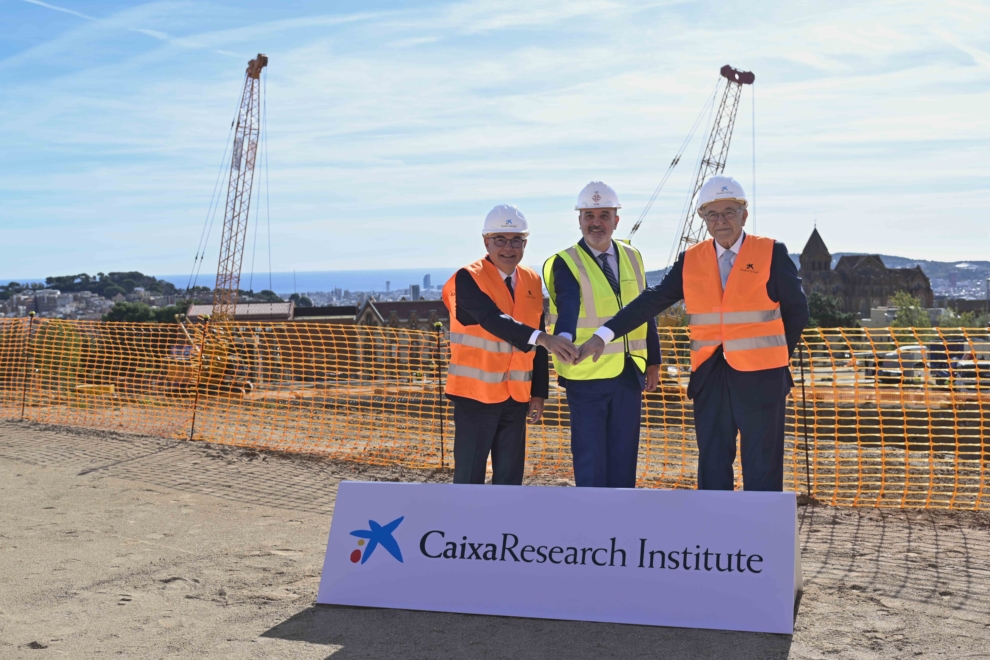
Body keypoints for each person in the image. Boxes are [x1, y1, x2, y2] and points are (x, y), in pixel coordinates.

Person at [576, 175, 809, 491]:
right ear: (703, 219)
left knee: (762, 465)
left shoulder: (771, 252)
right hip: (710, 377)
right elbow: (651, 300)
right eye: (712, 214)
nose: (721, 220)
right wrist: (604, 334)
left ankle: (759, 535)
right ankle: (716, 534)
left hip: (763, 377)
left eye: (728, 211)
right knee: (712, 463)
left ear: (744, 214)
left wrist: (775, 358)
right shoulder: (692, 259)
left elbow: (797, 312)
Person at [442, 204, 578, 485]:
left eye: (516, 240)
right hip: (474, 397)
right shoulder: (468, 278)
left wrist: (538, 392)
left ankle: (503, 529)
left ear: (525, 243)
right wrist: (543, 338)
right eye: (500, 240)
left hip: (516, 398)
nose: (508, 248)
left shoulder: (530, 279)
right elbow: (493, 319)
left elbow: (536, 340)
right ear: (486, 242)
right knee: (469, 478)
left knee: (509, 479)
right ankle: (465, 528)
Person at [543, 182, 661, 488]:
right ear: (579, 220)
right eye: (589, 215)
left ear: (616, 220)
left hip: (627, 372)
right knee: (591, 458)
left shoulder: (633, 256)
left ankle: (621, 526)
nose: (597, 222)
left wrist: (654, 360)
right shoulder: (565, 262)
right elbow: (568, 304)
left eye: (604, 215)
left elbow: (644, 308)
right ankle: (593, 525)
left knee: (624, 458)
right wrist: (564, 335)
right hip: (586, 375)